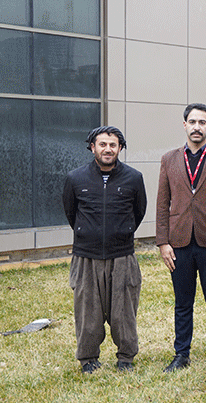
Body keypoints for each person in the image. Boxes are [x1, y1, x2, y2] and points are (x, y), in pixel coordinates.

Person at [61, 125, 149, 374]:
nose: (107, 149)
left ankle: (126, 357)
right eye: (102, 144)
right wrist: (88, 234)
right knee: (87, 312)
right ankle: (88, 358)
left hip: (122, 255)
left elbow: (139, 212)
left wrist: (120, 233)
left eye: (113, 145)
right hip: (86, 257)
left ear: (120, 148)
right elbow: (71, 213)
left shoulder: (134, 178)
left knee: (124, 312)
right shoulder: (75, 178)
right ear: (93, 147)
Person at [155, 103, 206, 373]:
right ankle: (181, 354)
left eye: (202, 122)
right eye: (192, 122)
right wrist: (163, 242)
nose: (197, 127)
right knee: (182, 303)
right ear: (184, 125)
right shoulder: (169, 159)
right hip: (179, 243)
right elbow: (162, 203)